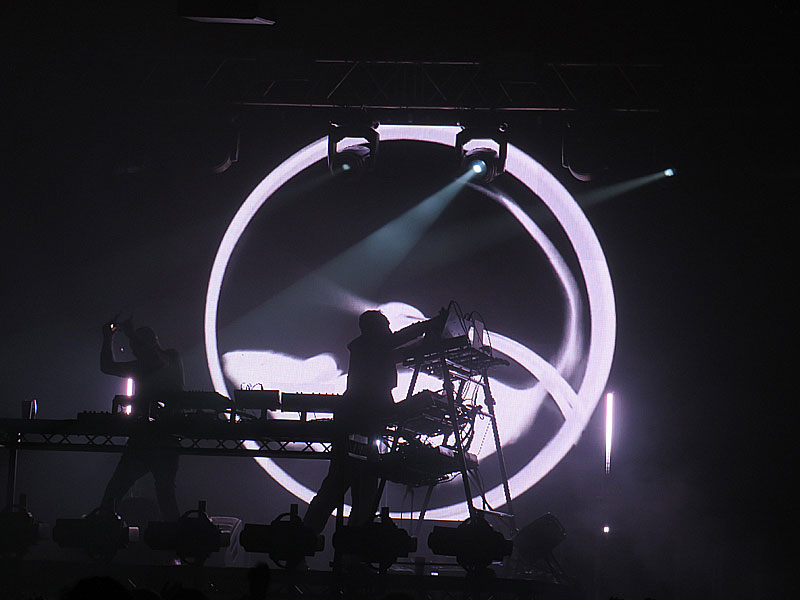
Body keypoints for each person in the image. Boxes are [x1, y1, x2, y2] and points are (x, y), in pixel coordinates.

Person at [303, 309, 444, 534]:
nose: (389, 331)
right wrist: (430, 325)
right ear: (374, 329)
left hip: (357, 427)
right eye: (385, 327)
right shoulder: (371, 345)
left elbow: (398, 350)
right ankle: (322, 536)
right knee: (350, 485)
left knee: (345, 486)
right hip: (357, 428)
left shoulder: (371, 349)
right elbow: (397, 341)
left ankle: (317, 535)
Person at [99, 315, 184, 521]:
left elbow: (156, 361)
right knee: (121, 492)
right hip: (149, 438)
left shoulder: (171, 357)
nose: (134, 351)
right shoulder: (144, 365)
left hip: (159, 439)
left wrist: (130, 334)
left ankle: (104, 528)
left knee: (162, 495)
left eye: (136, 346)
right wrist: (108, 338)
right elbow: (107, 367)